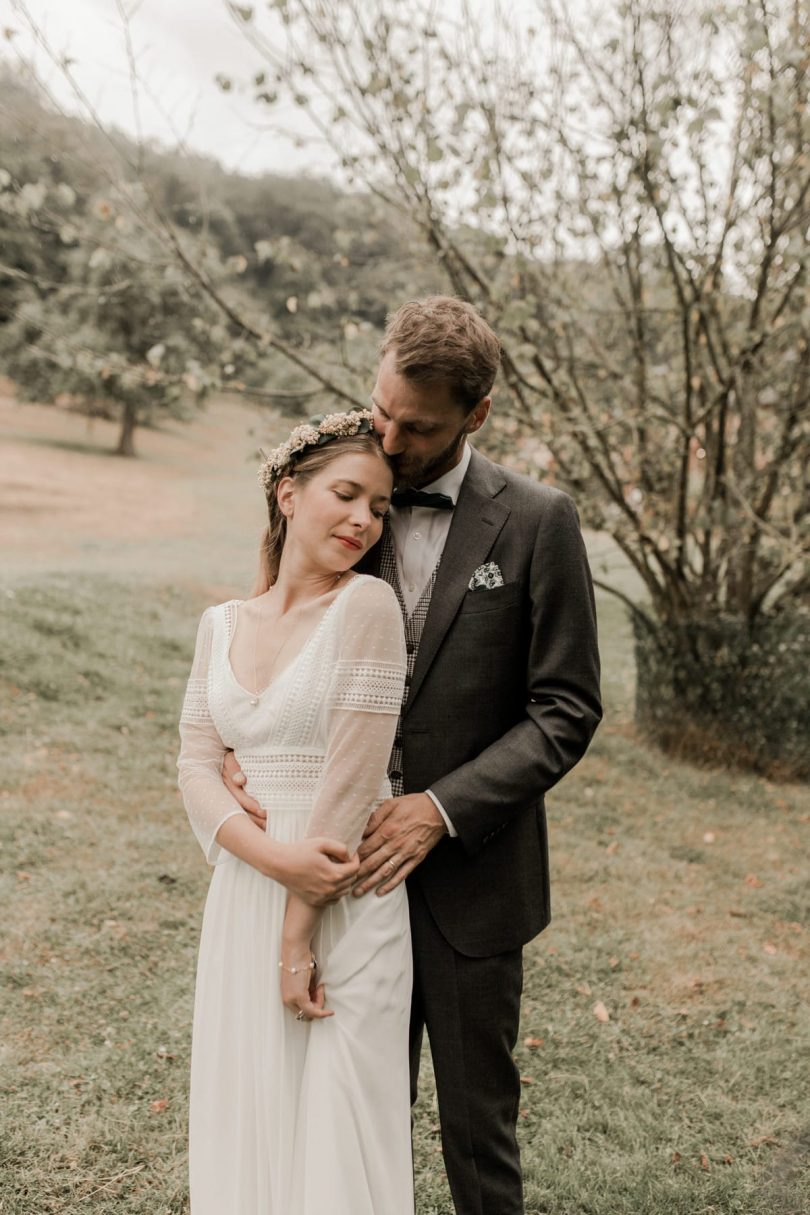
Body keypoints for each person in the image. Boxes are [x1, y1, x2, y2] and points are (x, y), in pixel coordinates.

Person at [223, 296, 603, 1215]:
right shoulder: (353, 491)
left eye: (418, 426)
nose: (388, 440)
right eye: (381, 408)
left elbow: (567, 707)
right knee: (348, 1118)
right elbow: (277, 624)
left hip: (476, 880)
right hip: (340, 876)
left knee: (479, 1135)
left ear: (476, 415)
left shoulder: (539, 521)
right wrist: (245, 738)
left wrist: (439, 809)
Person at [177, 411, 414, 1215]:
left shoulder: (368, 607)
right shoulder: (221, 625)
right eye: (347, 495)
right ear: (288, 493)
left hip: (343, 897)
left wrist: (297, 928)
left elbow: (351, 783)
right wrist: (268, 859)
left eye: (380, 508)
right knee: (252, 1102)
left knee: (337, 1119)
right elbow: (195, 762)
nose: (363, 520)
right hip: (248, 891)